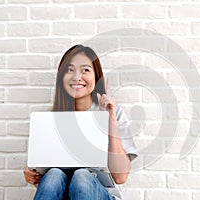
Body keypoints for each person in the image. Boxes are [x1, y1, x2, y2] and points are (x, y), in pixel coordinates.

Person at [24, 45, 138, 200]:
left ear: (96, 76)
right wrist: (33, 173)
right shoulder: (51, 118)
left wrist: (110, 119)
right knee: (53, 175)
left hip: (102, 195)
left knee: (82, 176)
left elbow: (120, 177)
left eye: (85, 70)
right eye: (70, 70)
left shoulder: (114, 113)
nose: (77, 77)